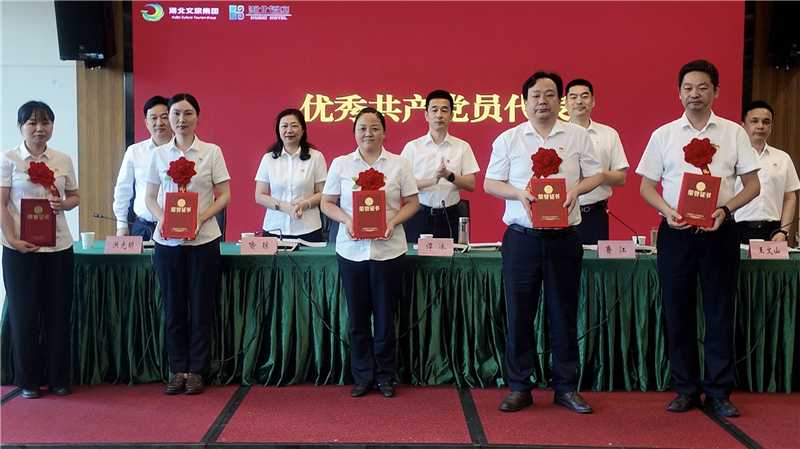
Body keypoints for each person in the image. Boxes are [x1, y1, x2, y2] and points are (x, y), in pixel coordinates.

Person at [637, 60, 760, 417]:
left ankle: (719, 391)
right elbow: (646, 186)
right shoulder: (664, 135)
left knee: (719, 311)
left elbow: (752, 185)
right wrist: (667, 211)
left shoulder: (733, 133)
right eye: (688, 88)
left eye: (703, 87)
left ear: (716, 91)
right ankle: (686, 389)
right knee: (677, 311)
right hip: (676, 233)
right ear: (679, 93)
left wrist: (725, 210)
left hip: (720, 230)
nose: (695, 94)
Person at [484, 72, 604, 414]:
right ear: (524, 102)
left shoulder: (577, 136)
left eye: (550, 95)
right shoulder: (509, 139)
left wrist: (577, 190)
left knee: (563, 313)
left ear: (559, 100)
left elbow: (596, 174)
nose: (542, 101)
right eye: (536, 95)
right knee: (520, 314)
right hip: (522, 239)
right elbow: (491, 183)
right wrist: (518, 193)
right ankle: (520, 386)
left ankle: (565, 387)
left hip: (563, 239)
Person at [320, 107, 419, 398]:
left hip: (389, 251)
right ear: (354, 132)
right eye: (362, 128)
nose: (368, 133)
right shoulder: (341, 164)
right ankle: (362, 375)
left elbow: (413, 203)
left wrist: (393, 222)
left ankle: (386, 376)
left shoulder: (399, 164)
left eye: (375, 128)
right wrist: (347, 221)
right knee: (358, 317)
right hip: (351, 252)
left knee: (386, 318)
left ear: (384, 132)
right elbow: (327, 203)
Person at [145, 93, 231, 395]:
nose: (181, 120)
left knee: (200, 306)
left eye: (188, 113)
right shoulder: (158, 154)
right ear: (168, 117)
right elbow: (150, 197)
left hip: (203, 241)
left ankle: (196, 370)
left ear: (197, 116)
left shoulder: (211, 152)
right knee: (173, 307)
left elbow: (224, 195)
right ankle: (177, 368)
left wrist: (201, 219)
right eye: (176, 114)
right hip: (167, 243)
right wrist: (165, 220)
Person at [1, 101, 80, 398]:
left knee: (58, 313)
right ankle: (29, 381)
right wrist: (12, 239)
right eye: (32, 123)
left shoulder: (62, 159)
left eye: (45, 122)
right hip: (21, 250)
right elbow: (1, 204)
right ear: (21, 126)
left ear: (52, 126)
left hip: (59, 246)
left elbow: (75, 196)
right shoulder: (8, 159)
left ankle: (59, 378)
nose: (39, 128)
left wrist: (64, 203)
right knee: (24, 315)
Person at [400, 89, 479, 241]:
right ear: (426, 115)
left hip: (451, 216)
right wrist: (432, 180)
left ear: (451, 115)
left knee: (452, 256)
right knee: (415, 255)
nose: (439, 115)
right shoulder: (413, 147)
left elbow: (471, 184)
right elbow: (402, 185)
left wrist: (448, 175)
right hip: (419, 214)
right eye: (434, 110)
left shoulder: (462, 147)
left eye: (444, 110)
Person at [565, 79, 629, 244]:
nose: (579, 101)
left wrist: (598, 176)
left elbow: (621, 177)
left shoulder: (609, 134)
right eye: (573, 97)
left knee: (595, 260)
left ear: (593, 101)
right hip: (563, 213)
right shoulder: (556, 135)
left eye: (584, 96)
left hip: (594, 214)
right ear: (565, 103)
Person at [254, 109, 327, 241]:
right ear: (278, 131)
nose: (289, 130)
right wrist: (284, 207)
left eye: (294, 126)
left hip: (308, 228)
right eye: (284, 126)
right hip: (274, 228)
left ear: (303, 130)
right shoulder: (269, 158)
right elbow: (259, 195)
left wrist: (304, 204)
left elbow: (322, 193)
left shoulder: (316, 157)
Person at [734, 100, 799, 243]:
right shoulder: (732, 157)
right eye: (754, 121)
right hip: (737, 228)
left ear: (771, 127)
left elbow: (790, 197)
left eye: (766, 122)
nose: (760, 126)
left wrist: (784, 231)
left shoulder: (783, 158)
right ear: (743, 125)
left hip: (773, 231)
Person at [113, 95, 173, 240]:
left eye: (164, 117)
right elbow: (123, 190)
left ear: (172, 119)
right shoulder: (134, 151)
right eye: (153, 118)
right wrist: (121, 225)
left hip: (175, 226)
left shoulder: (182, 151)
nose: (159, 123)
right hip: (143, 227)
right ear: (146, 122)